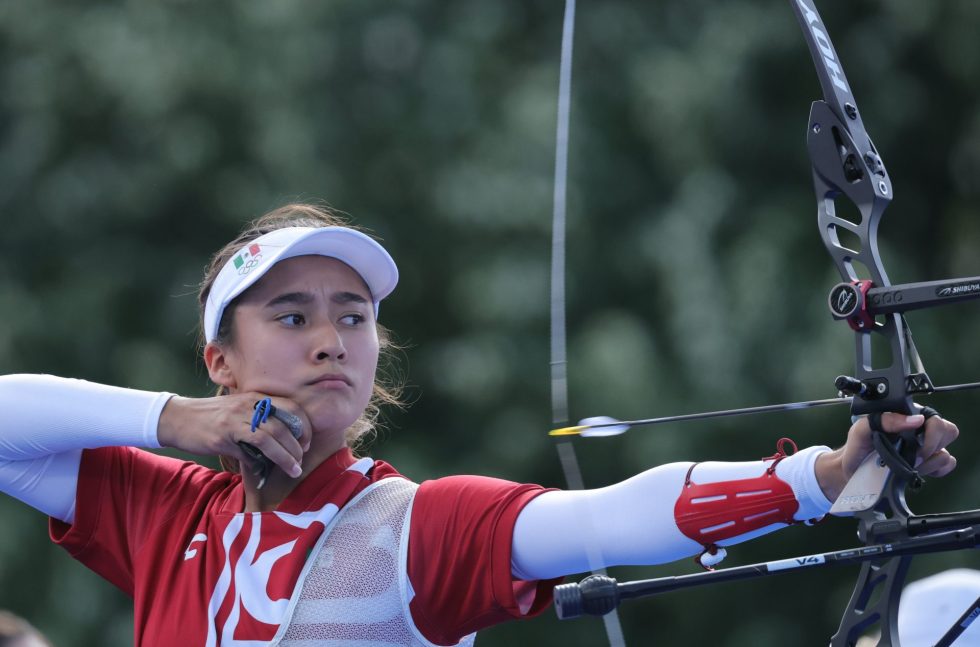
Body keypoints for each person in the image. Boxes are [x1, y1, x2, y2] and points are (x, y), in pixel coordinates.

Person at [0, 203, 959, 646]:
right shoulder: (165, 511)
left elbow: (606, 519)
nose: (332, 337)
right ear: (221, 361)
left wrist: (823, 478)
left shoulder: (415, 528)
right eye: (291, 316)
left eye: (354, 313)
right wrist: (173, 421)